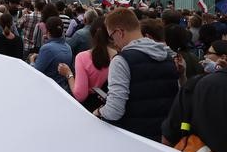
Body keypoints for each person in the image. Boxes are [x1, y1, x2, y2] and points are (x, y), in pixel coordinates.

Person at [93, 9, 179, 142]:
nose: (113, 42)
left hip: (133, 139)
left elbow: (114, 111)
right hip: (163, 138)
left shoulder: (121, 60)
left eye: (111, 36)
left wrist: (99, 111)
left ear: (119, 32)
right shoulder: (168, 56)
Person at [58, 17, 114, 108]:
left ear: (91, 35)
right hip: (109, 107)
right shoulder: (120, 56)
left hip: (89, 108)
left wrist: (68, 74)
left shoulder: (82, 57)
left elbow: (80, 96)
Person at [29, 16, 73, 92]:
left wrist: (32, 60)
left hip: (47, 89)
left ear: (48, 32)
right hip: (62, 88)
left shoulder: (47, 49)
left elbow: (35, 73)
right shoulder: (68, 47)